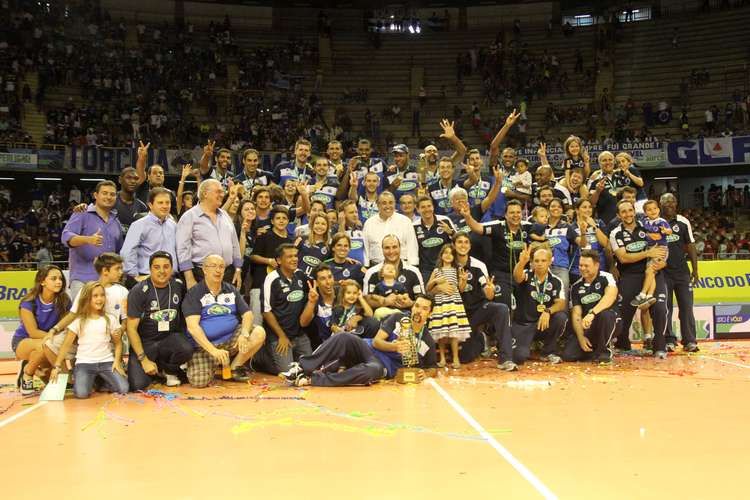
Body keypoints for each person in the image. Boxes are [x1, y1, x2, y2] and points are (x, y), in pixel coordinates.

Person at [280, 295, 437, 387]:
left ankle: (313, 380)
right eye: (417, 306)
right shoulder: (398, 318)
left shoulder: (427, 340)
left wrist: (426, 373)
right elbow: (377, 342)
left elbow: (432, 367)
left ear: (430, 314)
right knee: (344, 336)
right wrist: (394, 347)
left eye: (424, 308)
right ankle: (301, 367)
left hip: (381, 367)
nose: (418, 310)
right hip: (368, 350)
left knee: (371, 372)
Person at [182, 254, 266, 386]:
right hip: (205, 347)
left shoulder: (230, 289)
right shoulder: (194, 293)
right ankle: (216, 364)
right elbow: (193, 328)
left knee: (259, 332)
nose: (218, 270)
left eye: (221, 266)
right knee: (199, 382)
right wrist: (213, 351)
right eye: (213, 266)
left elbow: (248, 314)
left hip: (230, 340)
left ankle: (234, 368)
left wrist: (244, 334)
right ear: (204, 269)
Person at [125, 251, 195, 390]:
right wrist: (144, 360)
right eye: (157, 267)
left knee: (186, 348)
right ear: (150, 269)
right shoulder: (138, 291)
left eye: (166, 267)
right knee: (137, 385)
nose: (162, 271)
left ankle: (168, 370)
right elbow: (131, 329)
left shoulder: (178, 286)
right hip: (146, 343)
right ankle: (155, 368)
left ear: (171, 268)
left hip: (168, 339)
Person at [610, 200, 670, 358]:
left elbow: (662, 246)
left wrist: (663, 261)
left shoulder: (647, 225)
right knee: (625, 312)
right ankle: (622, 345)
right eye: (623, 212)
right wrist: (647, 254)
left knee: (660, 309)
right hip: (629, 275)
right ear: (618, 215)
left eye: (630, 210)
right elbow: (623, 258)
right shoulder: (615, 233)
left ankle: (659, 346)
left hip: (653, 273)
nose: (628, 214)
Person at [49, 281, 129, 399]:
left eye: (102, 295)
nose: (100, 299)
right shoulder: (79, 321)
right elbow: (65, 345)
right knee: (81, 394)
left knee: (124, 388)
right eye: (95, 296)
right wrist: (57, 366)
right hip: (84, 364)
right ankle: (88, 378)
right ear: (87, 299)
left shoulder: (110, 319)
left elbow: (118, 343)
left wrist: (117, 362)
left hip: (107, 362)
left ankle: (100, 381)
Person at [453, 233, 515, 370]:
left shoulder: (478, 265)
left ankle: (505, 359)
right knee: (465, 357)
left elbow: (489, 294)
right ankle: (481, 338)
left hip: (477, 311)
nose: (463, 245)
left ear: (470, 246)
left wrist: (489, 291)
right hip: (458, 316)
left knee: (501, 308)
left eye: (466, 242)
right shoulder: (448, 264)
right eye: (459, 242)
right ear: (454, 245)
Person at [460, 199, 531, 309]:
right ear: (505, 215)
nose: (515, 215)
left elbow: (545, 234)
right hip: (501, 274)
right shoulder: (497, 226)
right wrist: (467, 216)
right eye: (512, 212)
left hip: (522, 274)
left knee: (527, 305)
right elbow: (477, 228)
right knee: (505, 304)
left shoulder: (528, 227)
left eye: (518, 212)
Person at [12, 265, 71, 395]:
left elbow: (66, 326)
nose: (58, 281)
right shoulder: (29, 302)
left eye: (60, 278)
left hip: (49, 339)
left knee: (52, 377)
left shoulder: (65, 300)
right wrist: (55, 340)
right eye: (53, 278)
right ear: (42, 282)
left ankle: (38, 370)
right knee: (45, 346)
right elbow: (33, 332)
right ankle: (27, 374)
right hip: (24, 341)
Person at [61, 180, 123, 298]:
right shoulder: (81, 213)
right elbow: (65, 238)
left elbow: (119, 252)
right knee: (81, 316)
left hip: (108, 282)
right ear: (96, 195)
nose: (108, 197)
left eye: (112, 194)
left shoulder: (116, 221)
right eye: (104, 193)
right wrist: (88, 239)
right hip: (83, 280)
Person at [176, 179, 242, 289]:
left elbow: (234, 243)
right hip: (202, 274)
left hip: (228, 273)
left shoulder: (225, 215)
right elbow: (182, 249)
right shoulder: (189, 216)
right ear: (205, 194)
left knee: (228, 306)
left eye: (222, 192)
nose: (222, 195)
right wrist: (189, 278)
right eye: (218, 191)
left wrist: (238, 269)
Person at [260, 244, 314, 373]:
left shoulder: (301, 275)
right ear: (279, 260)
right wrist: (282, 336)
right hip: (278, 335)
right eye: (289, 256)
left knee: (311, 369)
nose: (294, 259)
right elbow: (266, 312)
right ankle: (260, 358)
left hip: (299, 334)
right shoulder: (271, 279)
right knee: (288, 373)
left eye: (296, 256)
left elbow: (316, 286)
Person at [511, 246, 568, 365]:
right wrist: (522, 262)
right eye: (536, 261)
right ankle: (526, 345)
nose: (540, 264)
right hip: (524, 325)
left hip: (543, 324)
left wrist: (548, 311)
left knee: (560, 317)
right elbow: (517, 277)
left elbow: (561, 303)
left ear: (550, 261)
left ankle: (547, 352)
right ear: (531, 262)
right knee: (519, 357)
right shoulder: (526, 275)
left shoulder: (556, 281)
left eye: (543, 261)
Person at [659, 193, 700, 352]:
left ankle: (690, 340)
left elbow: (690, 246)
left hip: (682, 272)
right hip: (663, 273)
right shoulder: (656, 223)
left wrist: (695, 270)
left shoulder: (683, 222)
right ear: (660, 204)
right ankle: (669, 340)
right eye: (665, 201)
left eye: (672, 201)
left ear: (676, 204)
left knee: (687, 307)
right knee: (665, 309)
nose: (669, 203)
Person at [563, 249, 620, 362]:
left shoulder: (606, 277)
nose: (582, 268)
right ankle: (594, 350)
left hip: (610, 321)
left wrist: (592, 313)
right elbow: (576, 314)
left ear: (597, 265)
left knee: (605, 315)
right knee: (569, 356)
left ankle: (605, 351)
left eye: (586, 266)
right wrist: (581, 337)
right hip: (588, 326)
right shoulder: (576, 286)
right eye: (580, 265)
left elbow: (610, 297)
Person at [426, 244, 471, 368]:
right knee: (441, 331)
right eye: (445, 252)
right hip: (440, 303)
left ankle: (456, 358)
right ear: (441, 255)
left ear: (454, 256)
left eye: (451, 253)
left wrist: (464, 280)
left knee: (454, 332)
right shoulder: (437, 271)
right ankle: (442, 358)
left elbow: (461, 289)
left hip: (454, 303)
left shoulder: (457, 270)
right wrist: (435, 282)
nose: (448, 255)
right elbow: (428, 288)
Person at [120, 187, 178, 283]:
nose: (165, 206)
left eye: (167, 202)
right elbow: (127, 252)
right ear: (150, 205)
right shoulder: (138, 225)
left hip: (171, 279)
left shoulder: (173, 225)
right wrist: (134, 276)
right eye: (160, 203)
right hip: (147, 278)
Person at [363, 235, 425, 318]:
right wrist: (385, 301)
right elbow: (366, 300)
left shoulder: (414, 271)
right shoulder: (372, 272)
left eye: (394, 247)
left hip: (406, 317)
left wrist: (410, 303)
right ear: (382, 250)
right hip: (380, 318)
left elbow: (423, 301)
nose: (391, 251)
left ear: (400, 248)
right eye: (387, 248)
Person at [631, 200, 671, 308]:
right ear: (645, 212)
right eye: (649, 209)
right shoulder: (645, 221)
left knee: (649, 270)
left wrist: (665, 231)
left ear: (658, 210)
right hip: (649, 249)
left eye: (655, 208)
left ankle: (642, 294)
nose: (652, 211)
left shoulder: (661, 221)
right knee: (651, 273)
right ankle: (650, 295)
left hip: (660, 249)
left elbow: (669, 231)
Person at [362, 191, 419, 266]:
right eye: (384, 203)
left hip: (401, 267)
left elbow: (412, 247)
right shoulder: (369, 223)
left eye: (391, 202)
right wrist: (366, 266)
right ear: (378, 205)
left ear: (395, 204)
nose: (388, 206)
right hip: (376, 267)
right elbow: (365, 249)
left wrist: (413, 267)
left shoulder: (405, 221)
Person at [414, 195, 455, 281]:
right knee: (429, 293)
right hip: (425, 269)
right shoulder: (414, 226)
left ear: (433, 207)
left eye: (429, 206)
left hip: (445, 265)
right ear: (417, 210)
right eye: (423, 207)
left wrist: (450, 232)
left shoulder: (444, 220)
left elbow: (458, 240)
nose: (427, 209)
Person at [295, 214, 331, 279]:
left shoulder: (329, 247)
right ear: (312, 225)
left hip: (313, 282)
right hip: (296, 278)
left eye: (323, 224)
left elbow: (335, 260)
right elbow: (292, 255)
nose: (319, 226)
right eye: (317, 223)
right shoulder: (301, 239)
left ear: (327, 227)